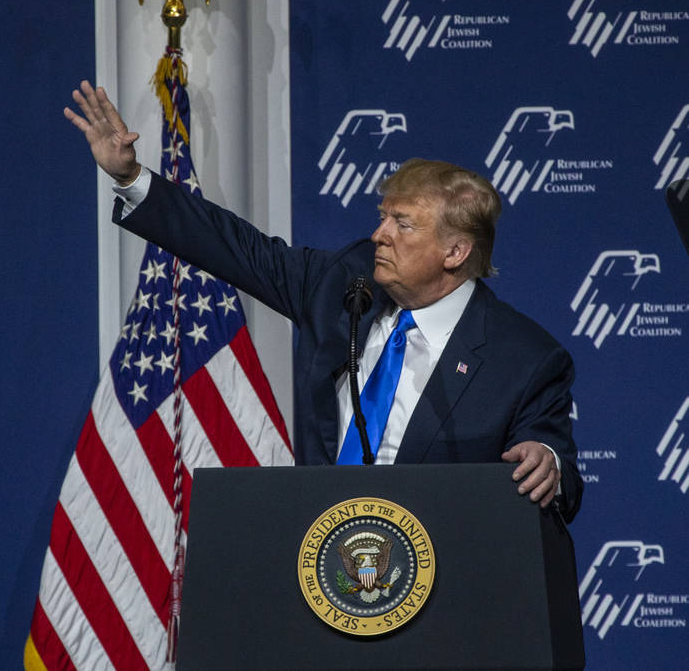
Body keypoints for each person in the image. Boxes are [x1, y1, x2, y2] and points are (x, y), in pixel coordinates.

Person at [64, 80, 583, 522]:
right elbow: (237, 248)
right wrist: (131, 178)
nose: (379, 234)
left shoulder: (525, 358)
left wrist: (548, 462)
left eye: (402, 224)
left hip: (441, 586)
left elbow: (550, 456)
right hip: (317, 564)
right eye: (383, 216)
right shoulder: (344, 284)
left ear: (455, 251)